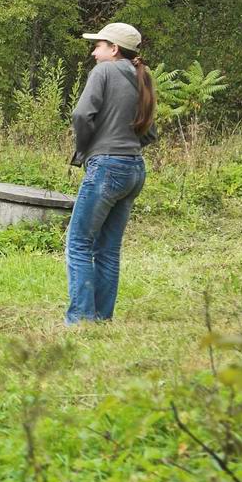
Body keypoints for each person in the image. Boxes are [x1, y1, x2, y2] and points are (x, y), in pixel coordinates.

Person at [64, 22, 157, 325]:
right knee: (108, 249)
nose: (94, 52)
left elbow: (81, 114)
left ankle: (81, 320)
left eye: (99, 46)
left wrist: (85, 150)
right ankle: (102, 319)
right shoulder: (142, 77)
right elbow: (150, 132)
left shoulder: (104, 71)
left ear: (114, 49)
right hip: (135, 169)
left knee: (78, 244)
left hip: (106, 167)